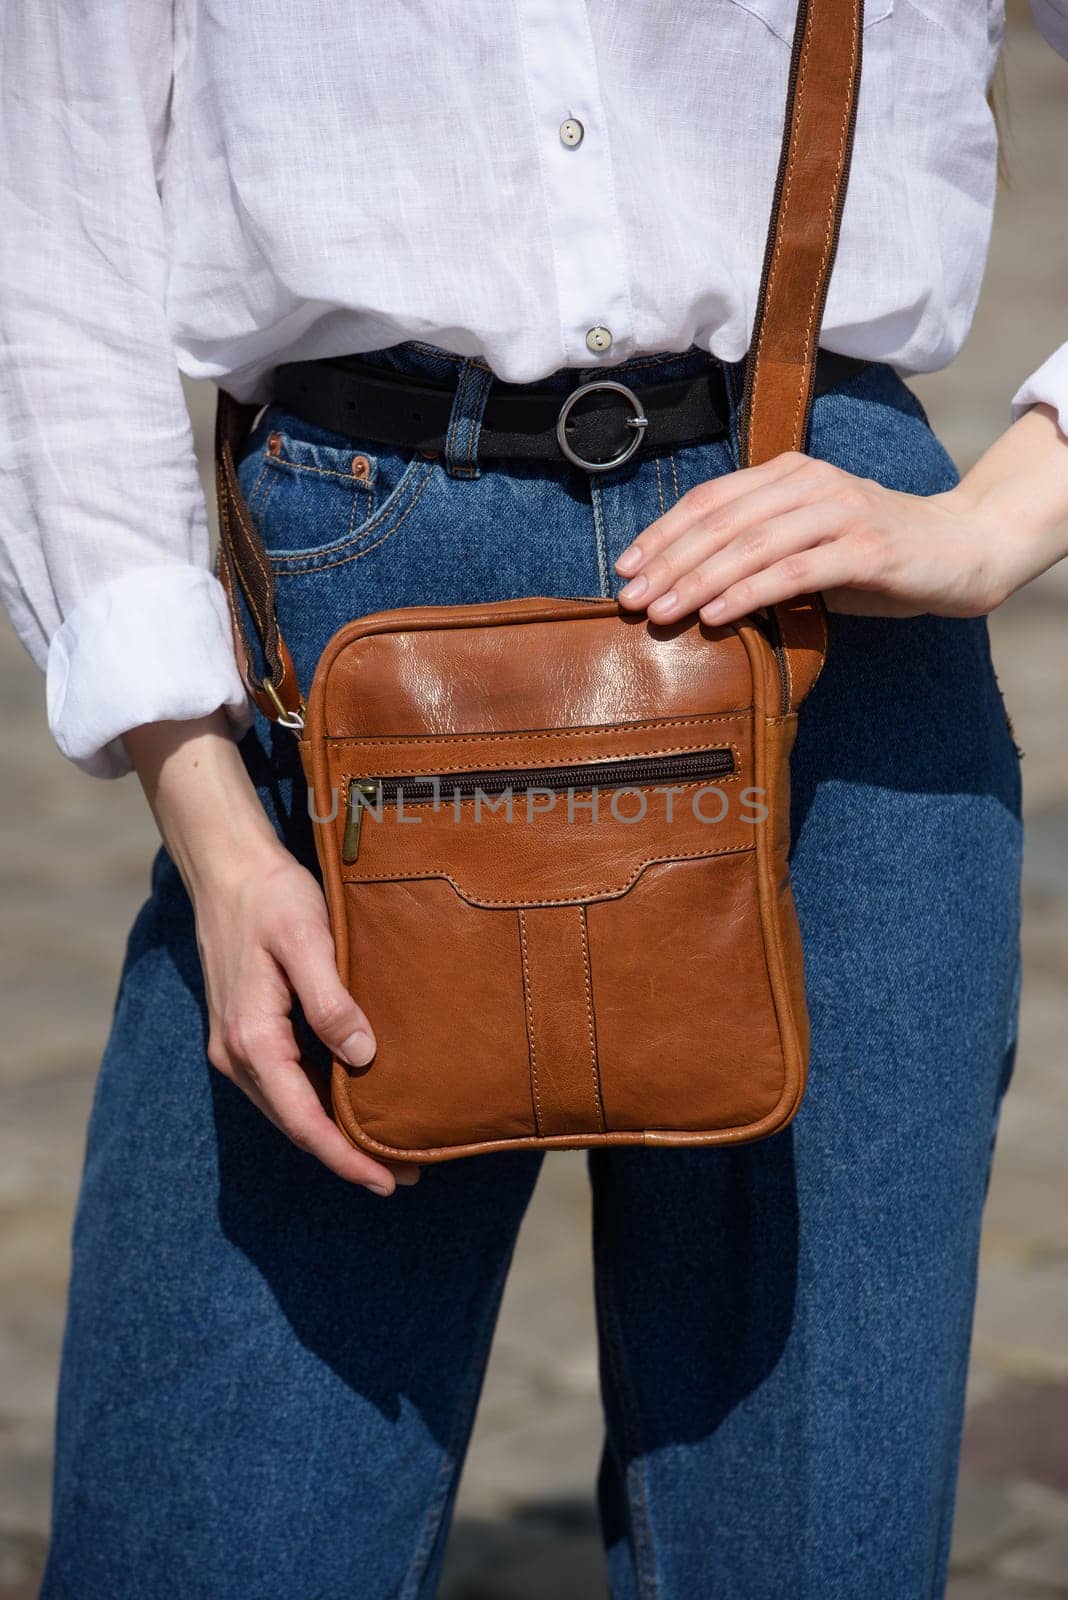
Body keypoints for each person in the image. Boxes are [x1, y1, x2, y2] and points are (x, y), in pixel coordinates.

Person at [1, 2, 1067, 1596]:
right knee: (212, 1540)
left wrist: (1004, 514)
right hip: (349, 613)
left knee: (809, 1558)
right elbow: (52, 234)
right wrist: (213, 821)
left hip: (830, 623)